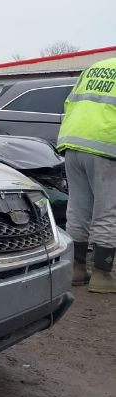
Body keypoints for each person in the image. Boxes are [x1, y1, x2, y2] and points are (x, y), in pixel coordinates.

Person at [56, 57, 116, 294]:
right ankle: (102, 275)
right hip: (107, 145)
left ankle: (76, 269)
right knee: (108, 209)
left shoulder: (96, 67)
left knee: (78, 208)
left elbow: (70, 103)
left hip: (74, 141)